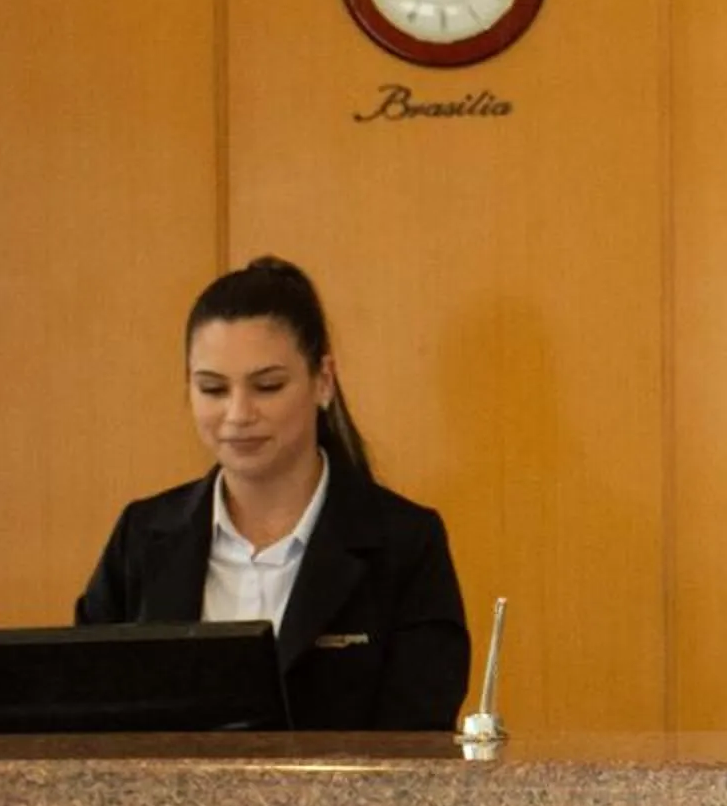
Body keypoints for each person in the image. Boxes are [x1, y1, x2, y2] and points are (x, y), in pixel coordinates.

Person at [76, 257, 471, 731]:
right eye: (213, 389)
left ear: (322, 380)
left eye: (267, 386)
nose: (238, 414)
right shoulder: (141, 536)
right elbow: (88, 717)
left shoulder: (405, 543)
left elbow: (417, 737)